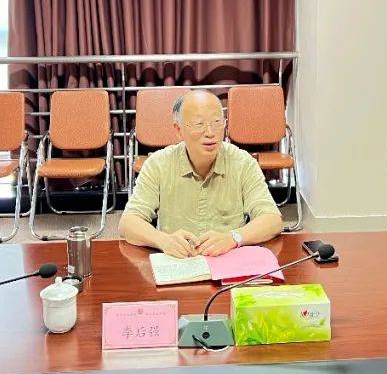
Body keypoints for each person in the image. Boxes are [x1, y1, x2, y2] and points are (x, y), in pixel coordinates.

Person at [119, 90, 283, 257]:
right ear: (179, 130)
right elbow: (128, 223)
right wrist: (163, 240)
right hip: (179, 260)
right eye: (199, 124)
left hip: (227, 259)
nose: (210, 133)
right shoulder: (158, 164)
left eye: (217, 122)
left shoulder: (243, 163)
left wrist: (233, 237)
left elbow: (272, 219)